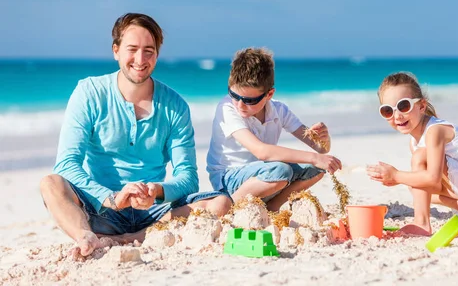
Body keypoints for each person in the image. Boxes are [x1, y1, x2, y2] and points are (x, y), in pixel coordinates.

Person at [39, 13, 231, 258]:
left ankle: (128, 239)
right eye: (132, 49)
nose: (140, 60)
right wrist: (112, 199)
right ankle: (85, 236)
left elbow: (188, 178)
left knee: (221, 203)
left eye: (149, 51)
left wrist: (155, 191)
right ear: (116, 50)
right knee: (51, 183)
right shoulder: (88, 93)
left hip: (152, 213)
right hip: (101, 210)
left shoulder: (175, 106)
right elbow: (66, 165)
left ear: (157, 55)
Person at [366, 72, 458, 236]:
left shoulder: (434, 131)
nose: (397, 116)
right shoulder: (414, 142)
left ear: (421, 106)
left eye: (403, 106)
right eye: (387, 110)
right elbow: (429, 184)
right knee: (415, 186)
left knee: (417, 169)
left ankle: (422, 223)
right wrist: (401, 178)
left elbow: (433, 178)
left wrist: (395, 175)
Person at [206, 47, 342, 211]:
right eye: (234, 95)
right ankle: (229, 206)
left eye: (249, 100)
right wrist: (314, 157)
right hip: (229, 178)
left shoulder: (279, 110)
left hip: (266, 175)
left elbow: (320, 149)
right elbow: (262, 152)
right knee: (281, 170)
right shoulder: (227, 108)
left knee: (317, 169)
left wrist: (324, 140)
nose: (240, 105)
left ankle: (272, 207)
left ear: (269, 94)